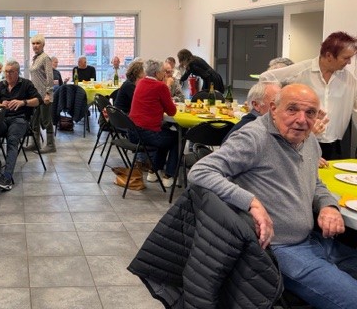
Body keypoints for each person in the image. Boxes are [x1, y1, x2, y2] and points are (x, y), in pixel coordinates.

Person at [188, 84, 357, 308]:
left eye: (310, 113)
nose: (302, 120)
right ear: (273, 109)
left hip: (314, 240)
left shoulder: (307, 139)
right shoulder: (254, 137)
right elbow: (200, 171)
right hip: (279, 250)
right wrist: (251, 202)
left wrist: (328, 205)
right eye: (292, 109)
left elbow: (314, 182)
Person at [260, 31, 357, 160]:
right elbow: (266, 78)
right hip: (303, 139)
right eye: (345, 58)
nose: (349, 62)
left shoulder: (348, 79)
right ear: (329, 55)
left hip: (334, 143)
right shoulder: (301, 70)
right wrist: (280, 102)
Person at [0, 60, 41, 191]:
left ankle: (6, 178)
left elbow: (38, 100)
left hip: (20, 119)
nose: (7, 74)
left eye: (11, 72)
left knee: (12, 140)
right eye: (6, 71)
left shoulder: (26, 84)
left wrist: (23, 102)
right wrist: (0, 105)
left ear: (17, 72)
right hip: (3, 119)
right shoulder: (2, 84)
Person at [128, 59, 178, 187]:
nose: (164, 74)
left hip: (133, 132)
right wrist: (167, 85)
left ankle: (154, 171)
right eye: (163, 71)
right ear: (157, 73)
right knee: (176, 138)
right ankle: (169, 176)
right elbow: (172, 111)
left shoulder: (140, 83)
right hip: (147, 134)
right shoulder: (161, 86)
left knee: (166, 134)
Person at [28, 34, 56, 153]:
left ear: (43, 45)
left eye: (38, 43)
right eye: (33, 43)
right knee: (34, 120)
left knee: (46, 120)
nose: (35, 46)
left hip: (45, 95)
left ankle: (51, 145)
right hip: (36, 96)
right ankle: (35, 144)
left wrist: (48, 94)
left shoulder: (45, 58)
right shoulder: (35, 58)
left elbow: (50, 77)